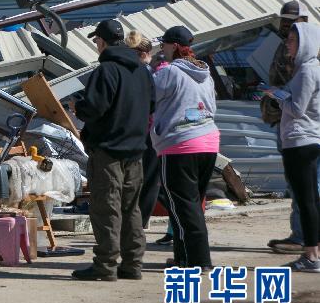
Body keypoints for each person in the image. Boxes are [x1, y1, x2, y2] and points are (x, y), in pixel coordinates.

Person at [71, 19, 154, 282]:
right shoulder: (142, 71)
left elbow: (94, 108)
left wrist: (78, 107)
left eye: (96, 41)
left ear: (103, 42)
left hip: (108, 150)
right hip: (135, 150)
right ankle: (133, 264)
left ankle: (105, 265)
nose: (96, 45)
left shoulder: (106, 70)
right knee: (131, 209)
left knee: (106, 208)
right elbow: (151, 105)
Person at [152, 25, 218, 270]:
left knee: (182, 206)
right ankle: (183, 256)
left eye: (164, 45)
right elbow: (213, 107)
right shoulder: (206, 73)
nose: (162, 49)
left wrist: (154, 67)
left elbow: (149, 94)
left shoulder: (169, 73)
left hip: (179, 144)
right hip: (208, 140)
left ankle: (198, 259)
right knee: (192, 202)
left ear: (174, 46)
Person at [263, 1, 320, 255]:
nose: (287, 28)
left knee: (307, 191)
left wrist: (276, 95)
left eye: (292, 21)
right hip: (297, 128)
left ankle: (305, 241)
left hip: (302, 132)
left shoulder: (307, 62)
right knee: (307, 190)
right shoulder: (290, 49)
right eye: (285, 21)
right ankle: (310, 240)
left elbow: (297, 103)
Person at [126, 31, 174, 245]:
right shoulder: (149, 71)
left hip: (153, 132)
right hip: (154, 131)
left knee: (152, 180)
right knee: (158, 181)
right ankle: (171, 228)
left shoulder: (153, 73)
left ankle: (142, 223)